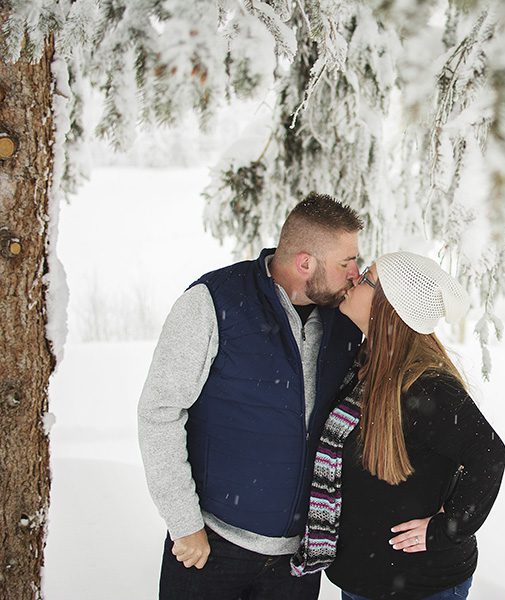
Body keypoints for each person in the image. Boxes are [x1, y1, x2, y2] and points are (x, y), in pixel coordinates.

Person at [138, 193, 365, 600]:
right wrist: (184, 523)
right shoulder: (214, 301)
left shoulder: (346, 322)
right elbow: (160, 412)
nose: (355, 274)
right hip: (210, 548)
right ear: (305, 263)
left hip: (296, 563)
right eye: (346, 263)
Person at [291, 252, 505, 600]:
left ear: (390, 305)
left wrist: (446, 530)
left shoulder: (426, 386)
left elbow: (489, 455)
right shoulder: (365, 367)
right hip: (366, 581)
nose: (354, 280)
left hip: (420, 586)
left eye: (366, 278)